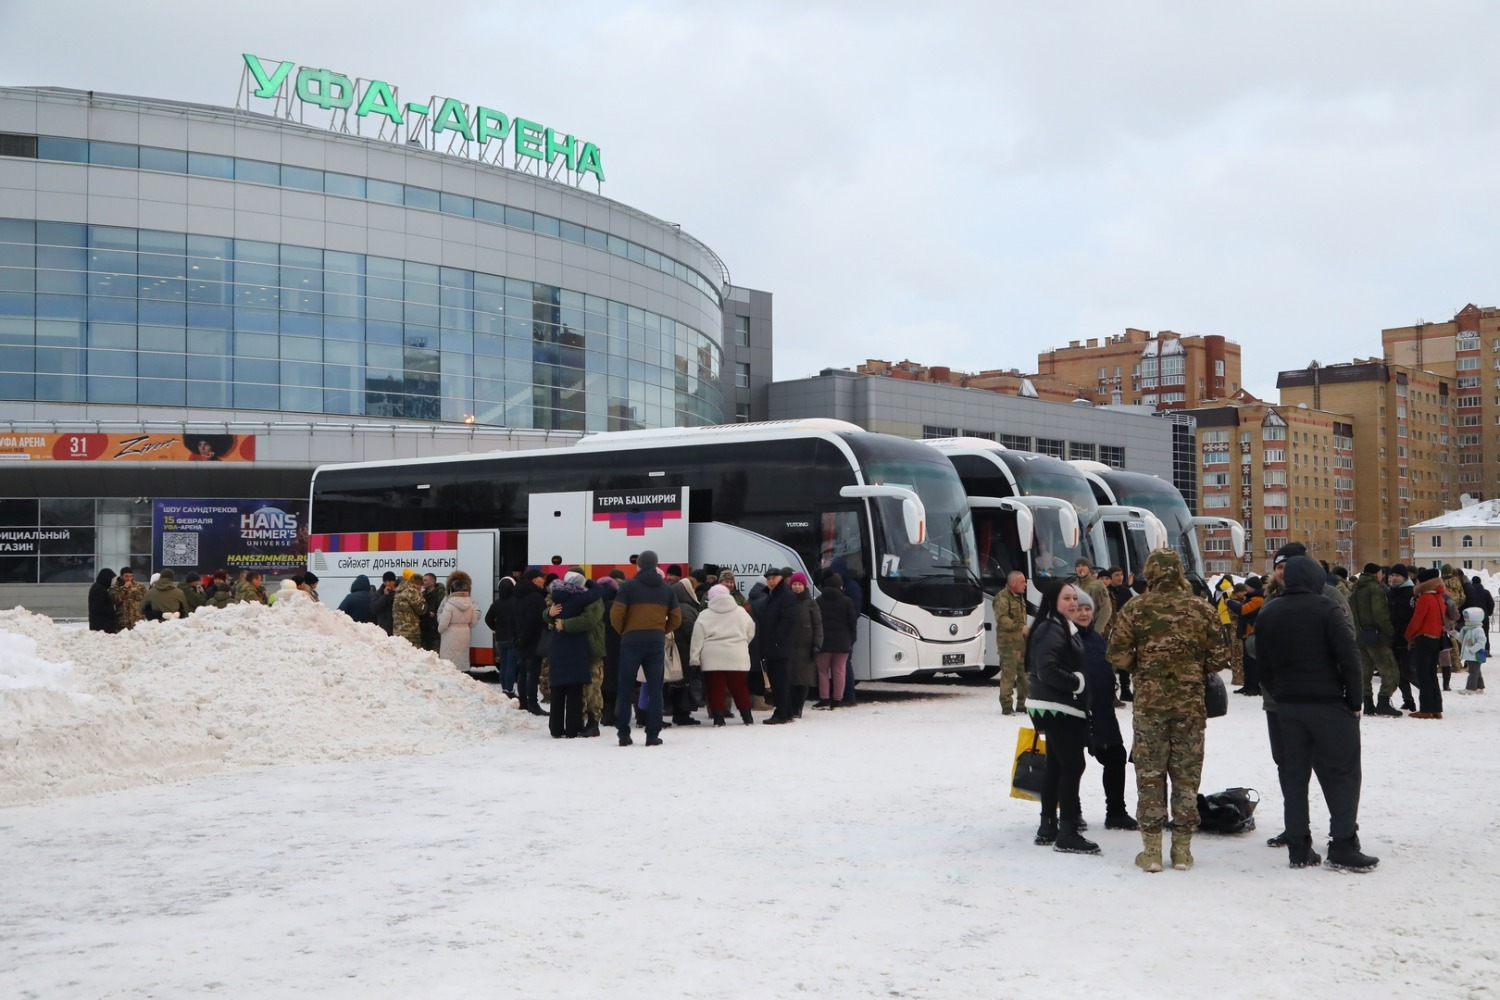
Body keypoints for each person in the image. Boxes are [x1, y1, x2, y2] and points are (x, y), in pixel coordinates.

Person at [1256, 555, 1376, 871]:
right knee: (1343, 774)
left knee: (1295, 777)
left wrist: (1281, 694)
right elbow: (1350, 659)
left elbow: (1261, 664)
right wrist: (1355, 702)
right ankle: (1343, 844)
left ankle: (1299, 848)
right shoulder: (1328, 608)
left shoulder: (1269, 612)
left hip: (1288, 707)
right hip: (1329, 704)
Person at [1107, 548, 1224, 873]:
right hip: (1190, 708)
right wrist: (1191, 667)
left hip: (1150, 707)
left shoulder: (1136, 607)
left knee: (1150, 775)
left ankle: (1152, 851)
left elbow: (1117, 654)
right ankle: (1183, 851)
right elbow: (1219, 658)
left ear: (1151, 574)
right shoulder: (1201, 609)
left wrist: (1144, 667)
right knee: (1186, 777)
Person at [1024, 578, 1096, 855]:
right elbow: (1047, 669)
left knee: (1056, 765)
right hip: (1058, 707)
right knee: (1073, 766)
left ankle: (1048, 826)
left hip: (1057, 706)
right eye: (1066, 598)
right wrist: (1078, 683)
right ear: (1053, 601)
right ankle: (1067, 832)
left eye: (1074, 598)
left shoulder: (1059, 625)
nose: (1073, 603)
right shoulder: (1052, 627)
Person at [1071, 589, 1136, 831]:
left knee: (1116, 757)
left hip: (1102, 712)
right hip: (1075, 711)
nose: (1084, 613)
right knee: (1072, 764)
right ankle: (1072, 812)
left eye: (1087, 609)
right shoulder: (1064, 638)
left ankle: (1116, 812)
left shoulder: (1098, 638)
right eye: (1079, 609)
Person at [610, 550, 681, 747]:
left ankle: (623, 734)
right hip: (656, 642)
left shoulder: (628, 586)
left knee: (625, 688)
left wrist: (625, 631)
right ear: (656, 565)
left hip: (630, 642)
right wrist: (660, 631)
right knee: (655, 690)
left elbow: (615, 615)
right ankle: (652, 735)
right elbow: (676, 618)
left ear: (638, 566)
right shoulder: (667, 589)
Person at [691, 583, 757, 725]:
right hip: (737, 655)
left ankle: (718, 718)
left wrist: (694, 659)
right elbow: (751, 630)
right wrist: (742, 643)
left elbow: (697, 639)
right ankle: (747, 717)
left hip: (712, 657)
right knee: (740, 687)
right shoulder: (741, 612)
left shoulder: (705, 615)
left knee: (715, 689)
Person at [546, 571, 601, 738]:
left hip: (557, 648)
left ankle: (555, 729)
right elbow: (597, 591)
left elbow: (545, 615)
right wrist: (590, 582)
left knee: (557, 690)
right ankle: (572, 729)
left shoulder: (556, 596)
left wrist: (549, 613)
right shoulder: (578, 598)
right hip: (575, 649)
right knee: (574, 691)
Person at [1350, 562, 1403, 717]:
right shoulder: (1375, 589)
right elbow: (1380, 614)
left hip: (1360, 636)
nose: (1383, 576)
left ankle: (1368, 704)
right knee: (1390, 670)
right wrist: (1390, 632)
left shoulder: (1356, 588)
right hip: (1377, 636)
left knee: (1365, 671)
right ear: (1375, 574)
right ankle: (1383, 702)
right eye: (1381, 573)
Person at [757, 567, 799, 725]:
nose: (771, 581)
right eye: (768, 579)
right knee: (778, 680)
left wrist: (776, 639)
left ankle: (781, 713)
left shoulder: (786, 596)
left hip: (779, 646)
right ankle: (786, 711)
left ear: (781, 578)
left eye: (774, 578)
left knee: (780, 680)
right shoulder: (771, 595)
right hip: (772, 646)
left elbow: (788, 621)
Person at [1406, 567, 1447, 719]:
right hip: (1436, 638)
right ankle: (1436, 708)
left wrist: (1408, 635)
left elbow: (1417, 620)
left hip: (1424, 639)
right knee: (1432, 674)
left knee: (1423, 675)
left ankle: (1426, 709)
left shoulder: (1424, 598)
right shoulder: (1438, 597)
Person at [782, 572, 823, 721]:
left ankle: (798, 708)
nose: (797, 587)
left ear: (804, 586)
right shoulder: (786, 601)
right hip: (789, 647)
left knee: (803, 680)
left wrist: (817, 645)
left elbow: (818, 625)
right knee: (790, 680)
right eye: (794, 584)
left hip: (806, 648)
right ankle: (790, 707)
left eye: (800, 584)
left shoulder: (811, 603)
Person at [814, 572, 857, 709]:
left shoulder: (819, 601)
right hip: (843, 642)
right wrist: (852, 640)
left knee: (823, 671)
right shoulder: (847, 601)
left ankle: (824, 699)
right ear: (840, 586)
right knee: (839, 671)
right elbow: (852, 622)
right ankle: (838, 699)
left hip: (824, 642)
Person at [512, 569, 549, 716]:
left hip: (520, 641)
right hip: (533, 641)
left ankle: (523, 703)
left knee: (522, 673)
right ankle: (533, 704)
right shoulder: (536, 597)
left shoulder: (517, 594)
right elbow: (534, 620)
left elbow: (512, 618)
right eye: (541, 577)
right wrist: (524, 638)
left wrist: (516, 638)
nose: (543, 580)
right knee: (532, 674)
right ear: (534, 580)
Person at [993, 570, 1029, 716]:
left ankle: (1022, 704)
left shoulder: (1019, 597)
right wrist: (1020, 628)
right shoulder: (1002, 597)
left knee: (1024, 675)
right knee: (1008, 675)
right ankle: (1007, 706)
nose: (1025, 584)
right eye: (1023, 581)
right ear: (1013, 583)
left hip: (1021, 643)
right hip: (1008, 644)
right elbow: (1002, 619)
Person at [1386, 564, 1418, 711]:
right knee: (1398, 672)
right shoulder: (1391, 592)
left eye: (1397, 576)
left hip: (1408, 638)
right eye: (1392, 575)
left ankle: (1429, 695)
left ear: (1405, 577)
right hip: (1394, 637)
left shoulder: (1412, 593)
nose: (1393, 578)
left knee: (1409, 671)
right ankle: (1408, 700)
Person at [437, 570, 481, 671]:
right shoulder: (470, 601)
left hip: (449, 632)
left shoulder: (448, 601)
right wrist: (466, 622)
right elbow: (475, 617)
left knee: (448, 659)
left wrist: (441, 621)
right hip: (465, 633)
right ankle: (463, 674)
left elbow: (440, 613)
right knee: (462, 657)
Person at [485, 575, 519, 700]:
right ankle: (509, 690)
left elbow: (488, 619)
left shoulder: (496, 604)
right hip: (513, 638)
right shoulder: (516, 602)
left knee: (503, 665)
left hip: (500, 638)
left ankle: (504, 688)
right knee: (511, 665)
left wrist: (495, 628)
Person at [1074, 559, 1112, 637]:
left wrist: (1097, 630)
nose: (1080, 568)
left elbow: (1106, 609)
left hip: (1092, 627)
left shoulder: (1098, 585)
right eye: (1078, 566)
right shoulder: (1073, 586)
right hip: (1077, 629)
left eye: (1083, 566)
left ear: (1089, 569)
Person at [393, 569, 426, 648]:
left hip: (398, 631)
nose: (421, 587)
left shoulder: (399, 591)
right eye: (420, 585)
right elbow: (422, 609)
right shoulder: (412, 591)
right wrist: (422, 598)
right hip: (411, 633)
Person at [1460, 608, 1487, 695]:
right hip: (1471, 655)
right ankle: (1479, 687)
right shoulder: (1467, 628)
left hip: (1476, 655)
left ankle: (1471, 688)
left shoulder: (1478, 629)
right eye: (1464, 616)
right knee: (1476, 671)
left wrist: (1472, 650)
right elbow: (1462, 638)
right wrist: (1454, 633)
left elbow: (1481, 642)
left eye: (1467, 616)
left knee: (1473, 672)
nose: (1465, 618)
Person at [420, 572, 446, 652]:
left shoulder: (440, 594)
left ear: (432, 582)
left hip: (435, 631)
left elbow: (442, 611)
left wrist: (434, 617)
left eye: (425, 580)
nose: (422, 582)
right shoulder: (422, 595)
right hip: (424, 630)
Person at [88, 568, 117, 632]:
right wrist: (112, 610)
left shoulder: (99, 588)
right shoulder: (99, 590)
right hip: (102, 625)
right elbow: (98, 607)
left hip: (101, 624)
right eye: (112, 580)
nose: (112, 583)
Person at [371, 571, 398, 635]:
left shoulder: (399, 592)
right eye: (385, 581)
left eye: (389, 581)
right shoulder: (378, 593)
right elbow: (374, 608)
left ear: (394, 582)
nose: (387, 584)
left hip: (398, 628)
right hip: (384, 629)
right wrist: (385, 596)